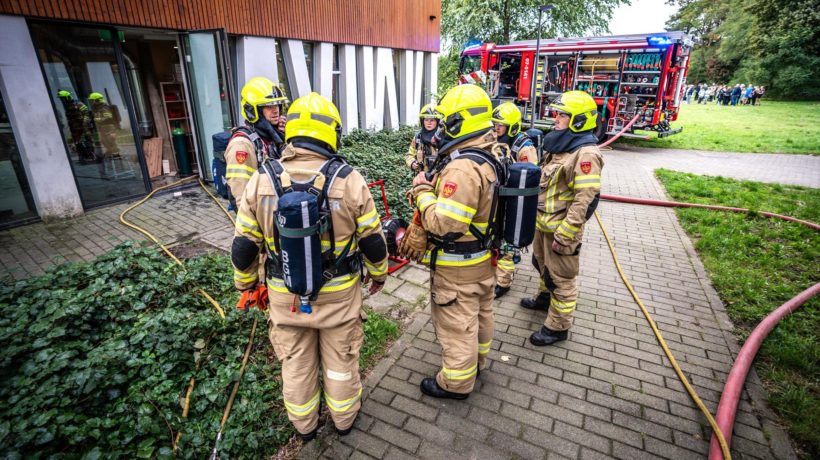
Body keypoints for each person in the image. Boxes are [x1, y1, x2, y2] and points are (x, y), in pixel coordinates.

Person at [230, 92, 389, 441]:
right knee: (341, 363)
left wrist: (246, 285)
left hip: (285, 295)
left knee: (297, 364)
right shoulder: (350, 179)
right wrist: (378, 275)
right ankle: (344, 421)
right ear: (332, 132)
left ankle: (305, 428)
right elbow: (373, 241)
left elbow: (243, 246)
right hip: (339, 298)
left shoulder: (261, 179)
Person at [409, 84, 498, 399]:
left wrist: (422, 193)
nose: (442, 128)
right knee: (481, 312)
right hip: (483, 259)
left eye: (447, 121)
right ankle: (479, 361)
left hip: (458, 265)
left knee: (457, 324)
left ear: (461, 122)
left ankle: (456, 382)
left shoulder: (462, 168)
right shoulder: (492, 153)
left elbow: (445, 225)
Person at [521, 90, 603, 346]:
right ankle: (544, 298)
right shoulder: (562, 146)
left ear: (578, 120)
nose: (555, 117)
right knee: (542, 265)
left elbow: (586, 198)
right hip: (544, 224)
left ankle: (558, 327)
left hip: (561, 229)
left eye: (562, 115)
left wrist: (567, 232)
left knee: (562, 279)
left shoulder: (585, 154)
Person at [490, 101, 538, 299]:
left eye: (499, 126)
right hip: (498, 196)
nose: (495, 129)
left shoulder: (524, 148)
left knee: (507, 244)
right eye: (494, 125)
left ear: (512, 126)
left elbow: (529, 179)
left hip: (514, 200)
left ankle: (503, 282)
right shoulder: (496, 140)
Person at [225, 76, 288, 209]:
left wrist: (284, 137)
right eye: (268, 106)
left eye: (277, 104)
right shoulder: (241, 144)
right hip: (260, 215)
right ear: (252, 111)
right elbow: (241, 197)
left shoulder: (271, 136)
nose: (276, 110)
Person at [58, 90, 95, 163]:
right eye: (61, 99)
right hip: (75, 128)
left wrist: (85, 123)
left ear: (67, 97)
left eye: (63, 98)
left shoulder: (78, 104)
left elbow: (86, 113)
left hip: (84, 127)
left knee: (89, 141)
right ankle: (81, 157)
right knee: (77, 143)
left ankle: (92, 156)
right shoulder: (66, 106)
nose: (62, 100)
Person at [405, 103, 440, 173]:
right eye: (426, 120)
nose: (429, 123)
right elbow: (409, 154)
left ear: (437, 122)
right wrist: (412, 163)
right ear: (422, 121)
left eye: (432, 120)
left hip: (438, 177)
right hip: (421, 177)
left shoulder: (442, 137)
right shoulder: (418, 137)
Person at [88, 92, 119, 157]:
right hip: (103, 127)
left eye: (92, 100)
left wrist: (99, 120)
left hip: (108, 126)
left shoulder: (104, 107)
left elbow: (108, 116)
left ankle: (116, 153)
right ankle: (110, 151)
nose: (92, 102)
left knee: (111, 139)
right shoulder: (98, 108)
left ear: (97, 100)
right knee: (103, 140)